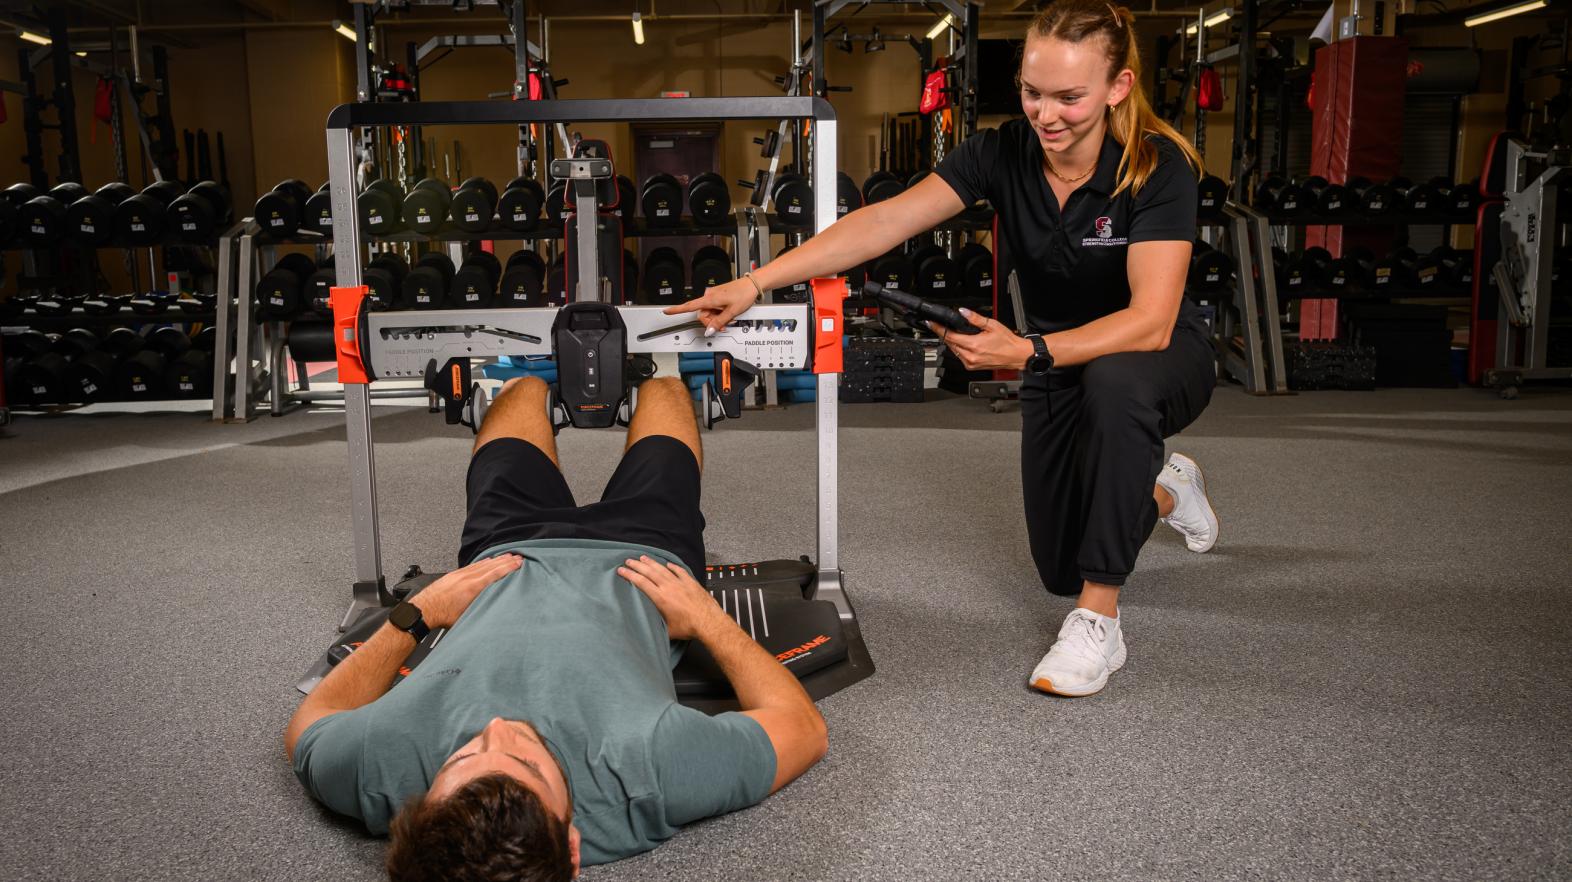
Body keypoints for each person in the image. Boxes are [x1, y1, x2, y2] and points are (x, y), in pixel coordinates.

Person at [668, 0, 1219, 698]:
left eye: (1069, 98)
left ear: (1118, 88)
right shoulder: (1001, 153)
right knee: (1057, 564)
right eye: (1032, 92)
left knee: (1115, 394)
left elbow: (1149, 322)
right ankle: (1167, 487)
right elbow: (885, 220)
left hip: (1156, 355)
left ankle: (1098, 620)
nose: (1046, 115)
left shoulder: (1157, 166)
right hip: (1046, 353)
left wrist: (1026, 352)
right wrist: (756, 281)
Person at [283, 375, 828, 880]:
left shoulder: (383, 772)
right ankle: (634, 373)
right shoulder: (645, 775)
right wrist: (707, 619)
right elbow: (802, 730)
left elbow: (310, 723)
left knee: (521, 389)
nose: (497, 728)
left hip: (504, 547)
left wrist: (417, 613)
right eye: (526, 761)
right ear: (572, 846)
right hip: (645, 551)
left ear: (422, 806)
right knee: (664, 389)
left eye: (464, 756)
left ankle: (567, 374)